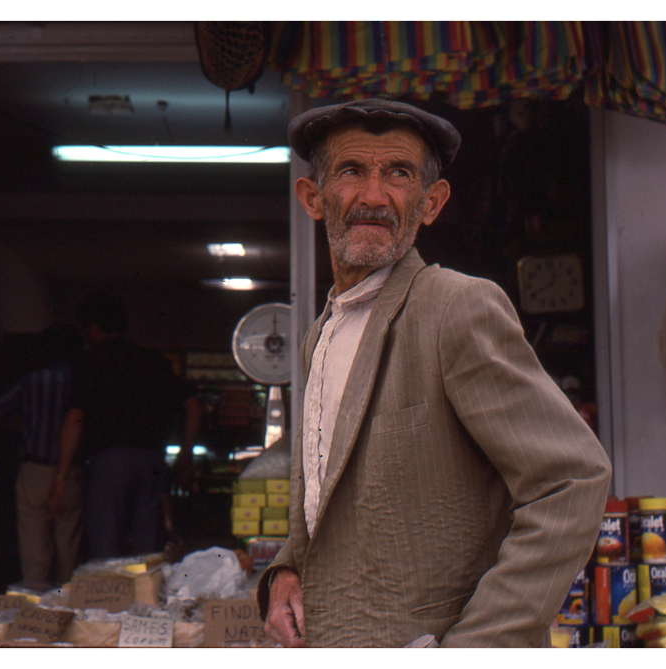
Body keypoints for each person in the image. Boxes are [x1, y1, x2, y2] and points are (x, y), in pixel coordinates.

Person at [258, 99, 612, 648]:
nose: (374, 196)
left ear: (431, 203)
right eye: (352, 172)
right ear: (312, 198)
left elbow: (571, 481)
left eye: (398, 175)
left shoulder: (456, 308)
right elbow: (323, 489)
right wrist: (285, 569)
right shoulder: (319, 335)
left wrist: (478, 646)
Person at [50, 291, 202, 558]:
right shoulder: (154, 362)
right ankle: (147, 596)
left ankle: (110, 598)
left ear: (93, 328)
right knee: (149, 549)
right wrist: (185, 456)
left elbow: (75, 418)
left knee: (106, 545)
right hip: (153, 462)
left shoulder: (90, 361)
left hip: (111, 461)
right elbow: (193, 407)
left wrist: (60, 479)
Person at [0, 322, 85, 586]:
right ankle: (67, 606)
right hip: (71, 470)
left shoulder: (30, 381)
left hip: (34, 470)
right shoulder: (82, 382)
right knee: (68, 549)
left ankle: (37, 615)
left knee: (33, 548)